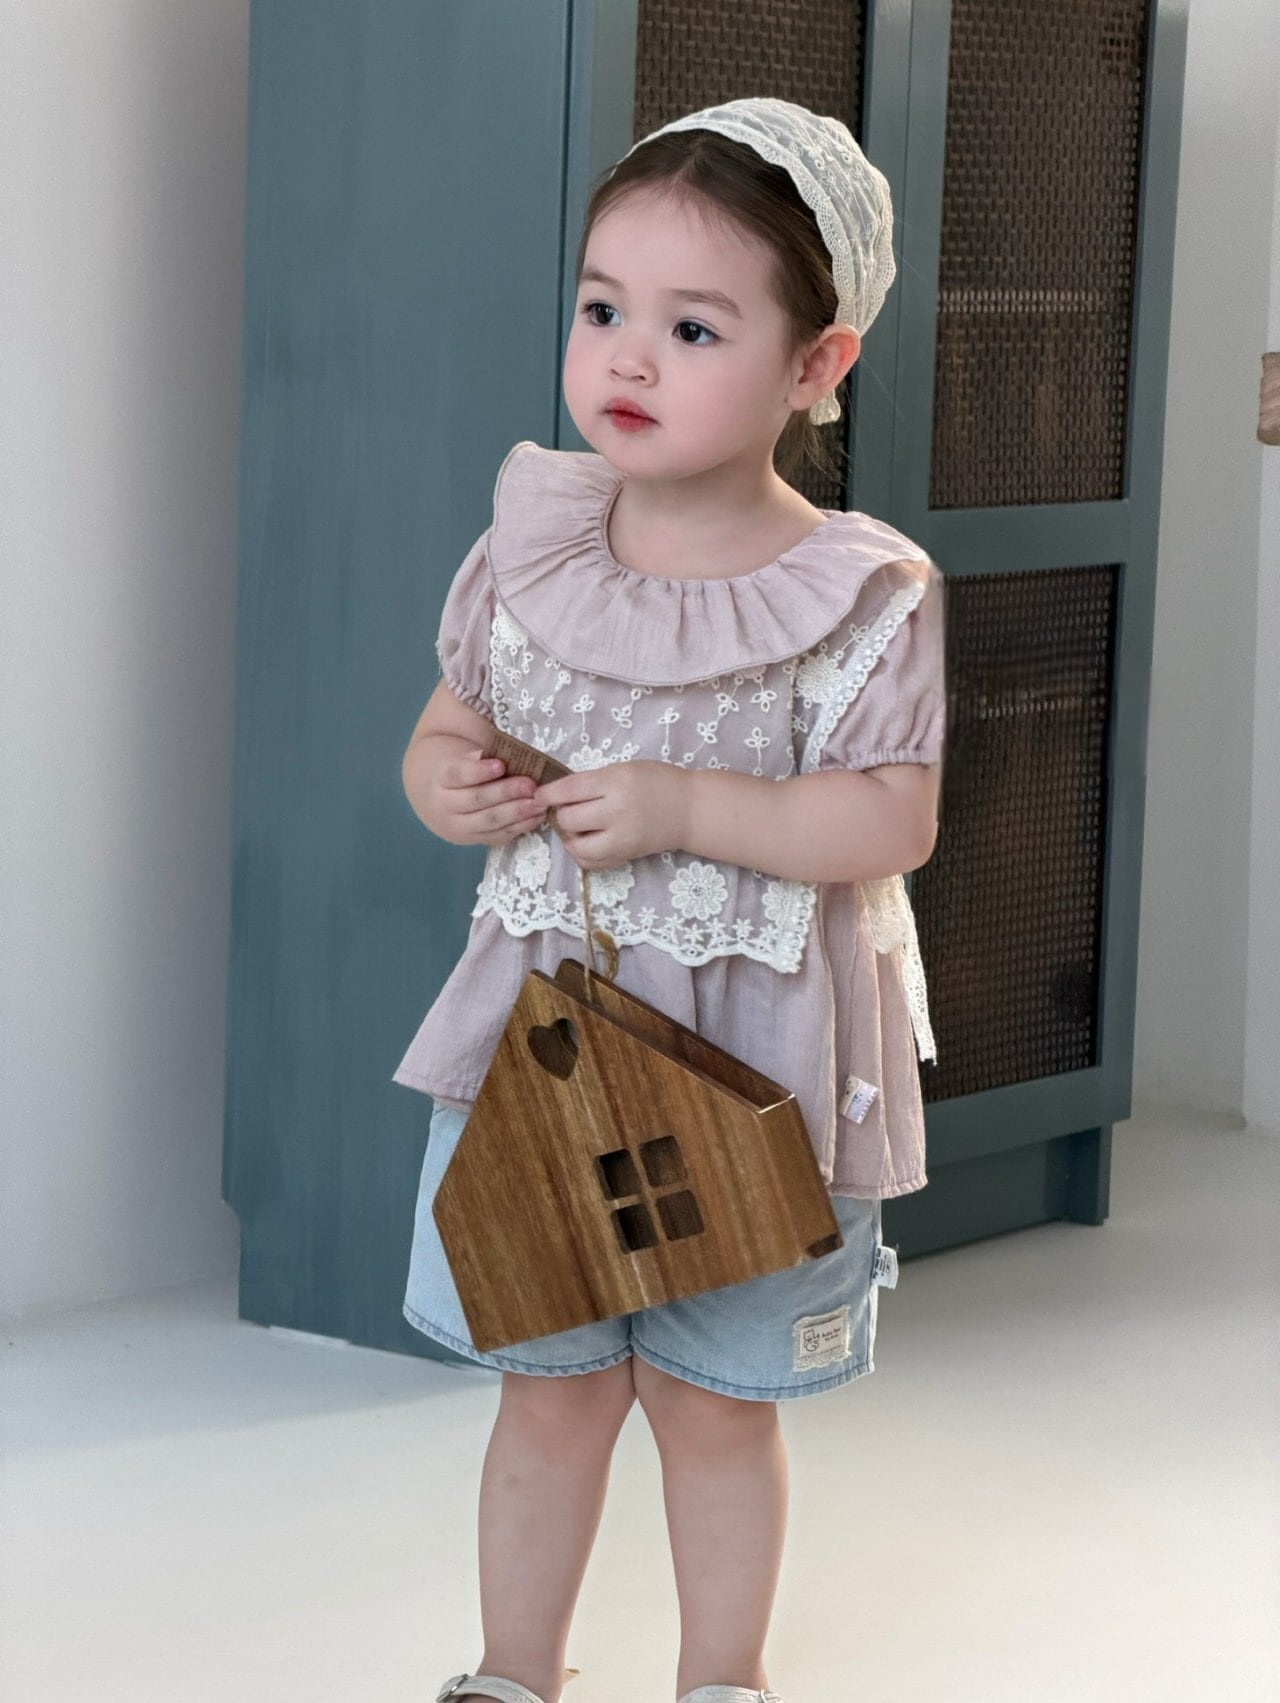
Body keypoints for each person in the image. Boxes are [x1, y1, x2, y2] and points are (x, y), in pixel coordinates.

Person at [392, 97, 947, 1703]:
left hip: (753, 1067)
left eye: (693, 328)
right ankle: (513, 1675)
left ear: (815, 365)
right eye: (601, 309)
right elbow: (446, 727)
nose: (627, 358)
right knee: (551, 1388)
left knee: (714, 1402)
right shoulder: (534, 548)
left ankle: (724, 1678)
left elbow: (893, 816)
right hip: (549, 1050)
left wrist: (688, 809)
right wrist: (447, 784)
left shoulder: (860, 590)